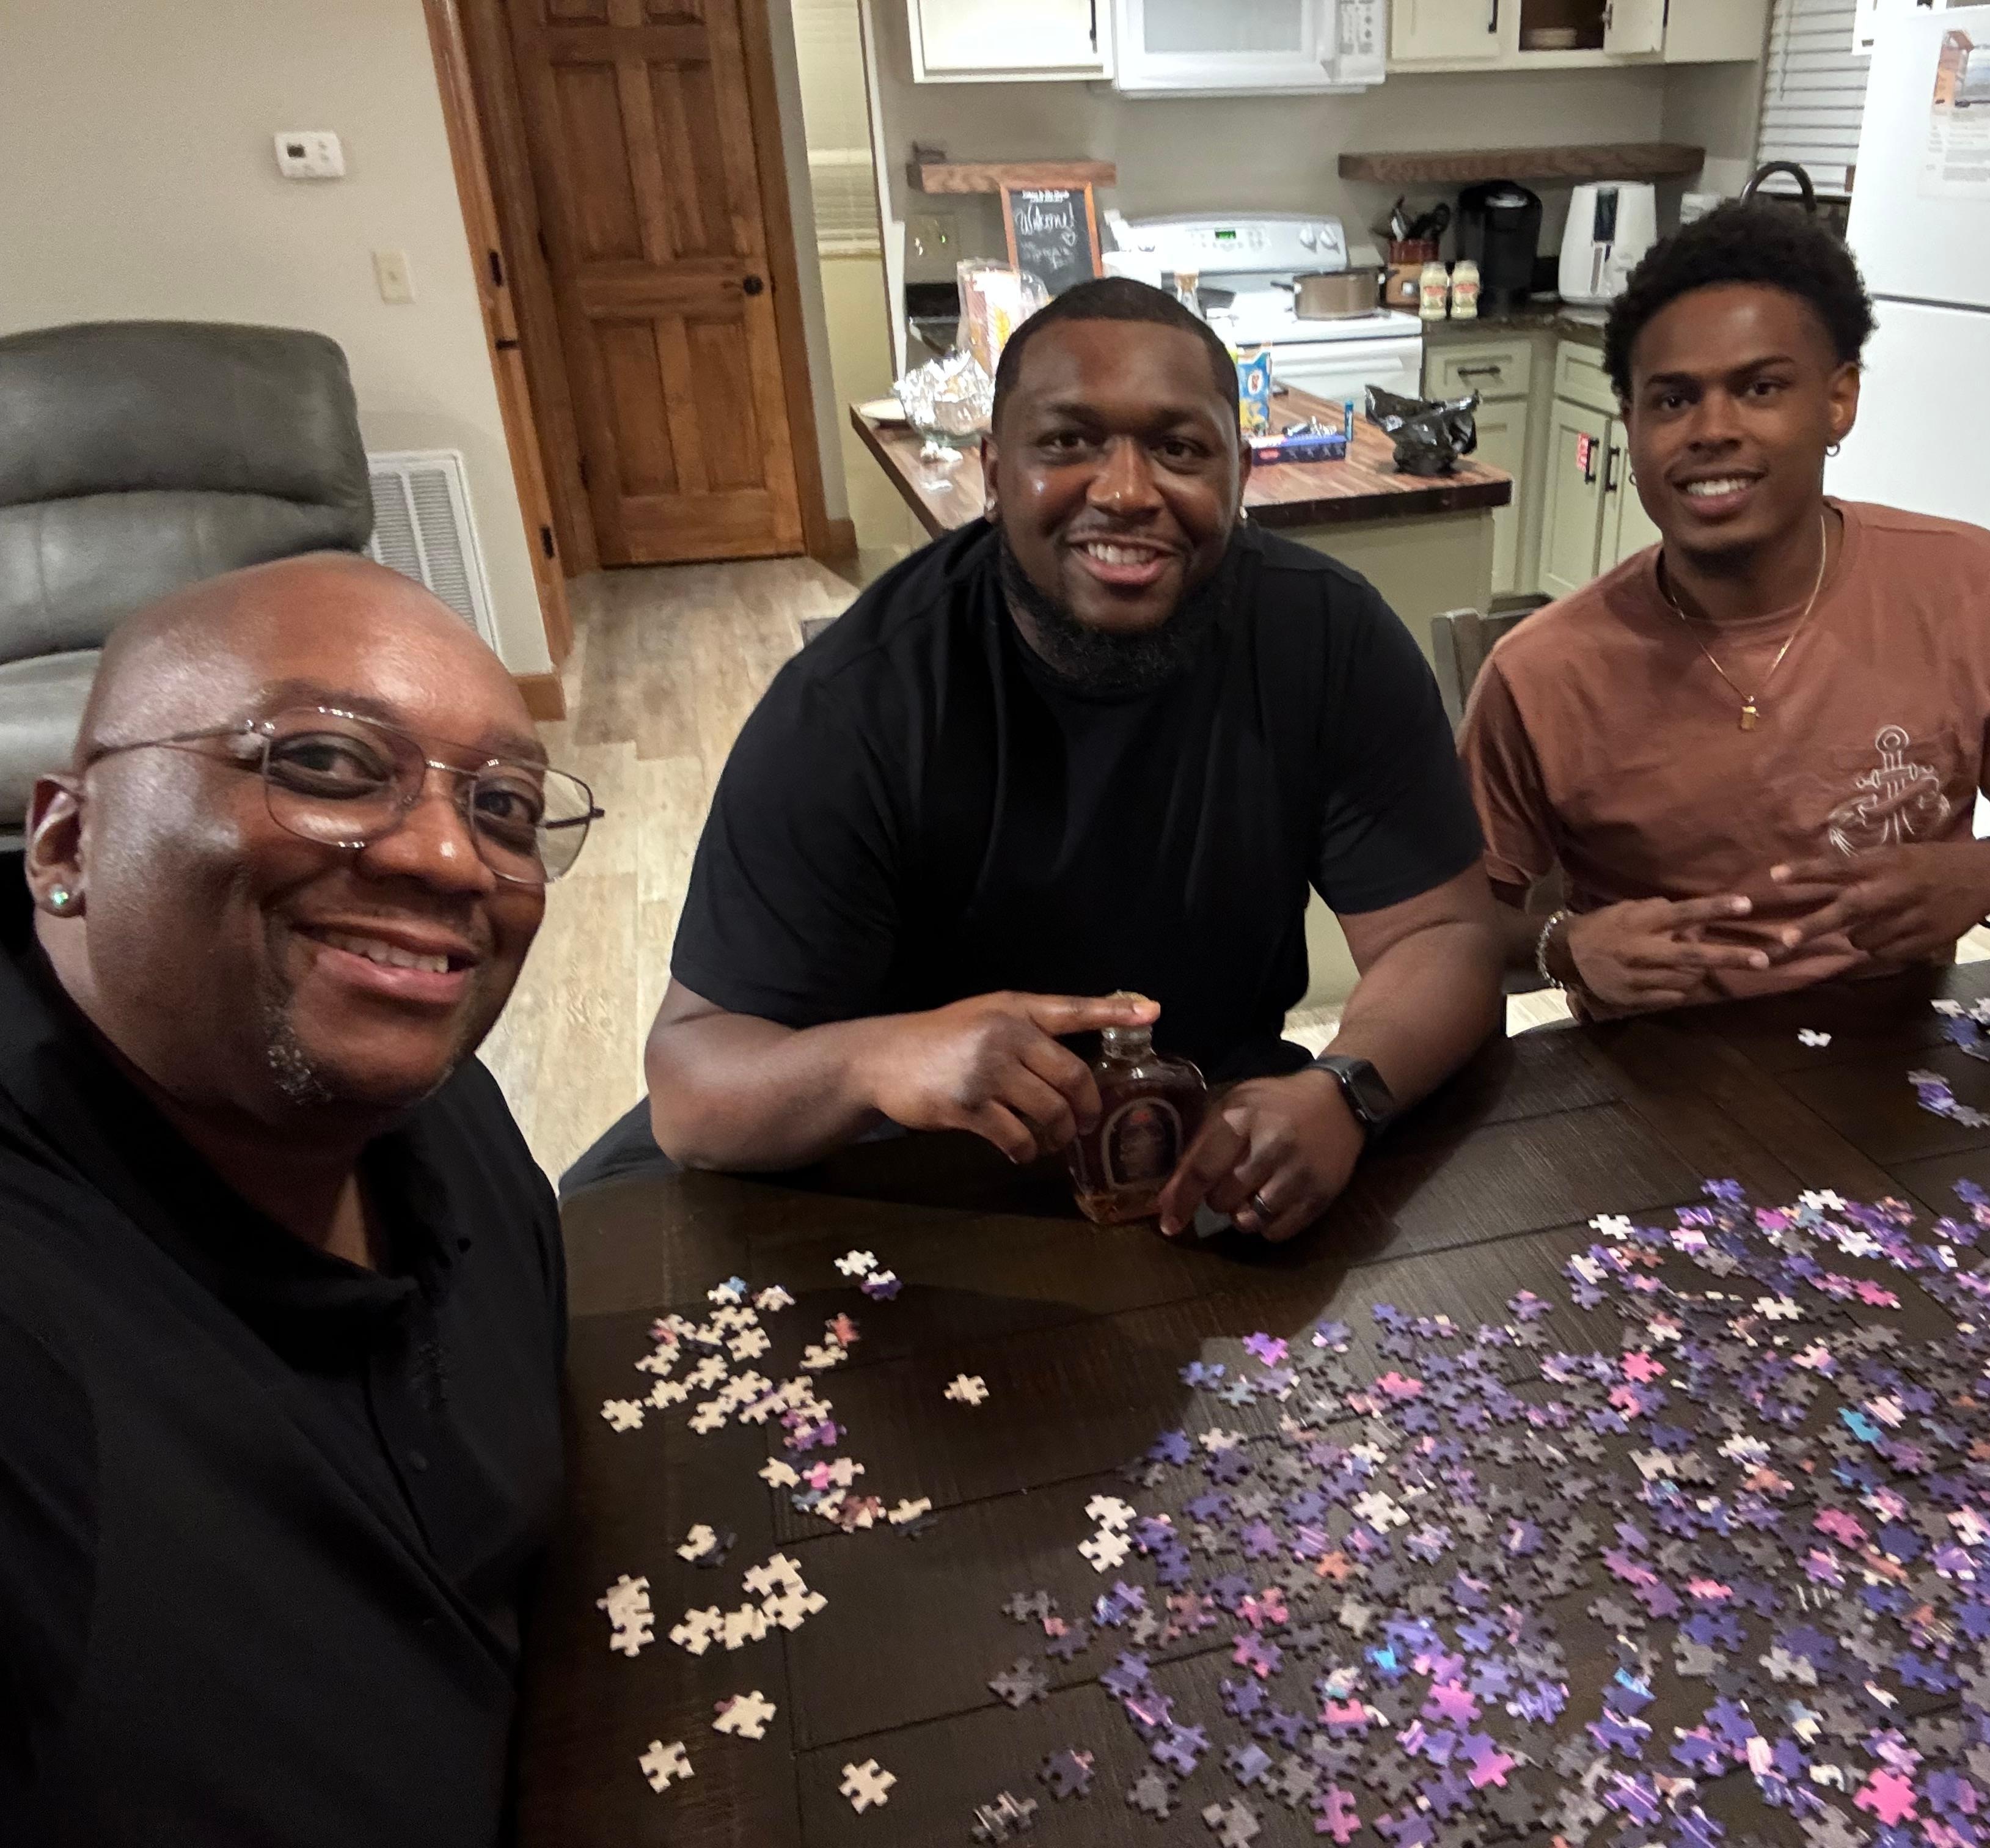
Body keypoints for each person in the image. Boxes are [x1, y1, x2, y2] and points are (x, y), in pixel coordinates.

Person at [640, 278, 1500, 1240]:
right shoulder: (853, 703)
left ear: (1242, 475)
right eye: (1066, 443)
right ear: (993, 472)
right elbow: (691, 1090)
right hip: (932, 1187)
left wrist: (1345, 1088)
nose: (1127, 492)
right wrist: (876, 1059)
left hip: (1217, 1165)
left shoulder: (1331, 639)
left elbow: (1444, 936)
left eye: (1180, 449)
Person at [0, 554, 596, 1845]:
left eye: (504, 806)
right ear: (67, 840)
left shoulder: (445, 1108)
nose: (452, 857)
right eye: (324, 763)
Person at [1459, 202, 1990, 1013]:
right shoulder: (1542, 671)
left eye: (1760, 389)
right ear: (1630, 425)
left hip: (1900, 1048)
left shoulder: (1978, 589)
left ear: (1838, 401)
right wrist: (1564, 946)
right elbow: (1447, 928)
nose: (1712, 430)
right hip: (1650, 1066)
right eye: (1673, 400)